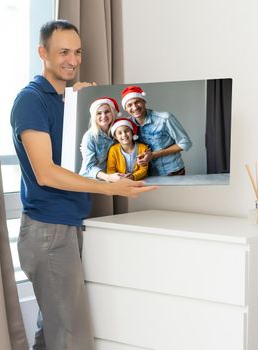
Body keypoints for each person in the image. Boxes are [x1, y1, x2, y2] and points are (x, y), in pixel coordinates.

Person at [10, 20, 156, 350]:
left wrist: (80, 105)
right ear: (42, 53)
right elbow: (46, 172)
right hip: (49, 230)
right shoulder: (31, 101)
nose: (72, 61)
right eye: (63, 52)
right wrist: (112, 190)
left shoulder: (64, 101)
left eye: (77, 52)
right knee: (71, 337)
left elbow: (92, 160)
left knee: (53, 332)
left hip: (66, 225)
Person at [120, 85, 193, 176]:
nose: (134, 107)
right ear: (126, 109)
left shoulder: (165, 118)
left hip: (172, 171)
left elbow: (185, 143)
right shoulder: (127, 125)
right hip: (146, 174)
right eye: (129, 105)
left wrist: (154, 155)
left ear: (144, 102)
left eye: (137, 102)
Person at [80, 96, 123, 182]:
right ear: (94, 117)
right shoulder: (89, 137)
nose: (103, 116)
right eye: (99, 113)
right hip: (92, 181)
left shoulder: (119, 133)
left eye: (107, 112)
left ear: (113, 113)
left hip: (114, 178)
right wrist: (108, 177)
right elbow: (88, 167)